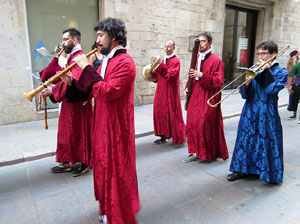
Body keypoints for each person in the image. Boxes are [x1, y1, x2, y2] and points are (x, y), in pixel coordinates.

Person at [61, 18, 140, 223]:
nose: (97, 40)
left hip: (116, 126)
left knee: (115, 169)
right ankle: (107, 207)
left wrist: (86, 68)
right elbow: (91, 89)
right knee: (103, 168)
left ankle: (117, 211)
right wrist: (71, 82)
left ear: (113, 37)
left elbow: (107, 91)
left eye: (100, 35)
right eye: (97, 35)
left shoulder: (125, 62)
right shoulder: (106, 60)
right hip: (102, 123)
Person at [227, 41, 288, 184]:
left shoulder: (281, 72)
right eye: (259, 53)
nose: (260, 56)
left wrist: (265, 72)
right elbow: (244, 95)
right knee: (245, 140)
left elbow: (271, 90)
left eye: (264, 53)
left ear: (273, 54)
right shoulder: (254, 68)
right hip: (250, 109)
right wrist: (247, 83)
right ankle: (241, 169)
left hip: (267, 111)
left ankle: (266, 172)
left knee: (266, 140)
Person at [40, 28, 91, 177]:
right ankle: (66, 161)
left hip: (79, 104)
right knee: (68, 132)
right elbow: (65, 78)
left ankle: (85, 162)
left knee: (80, 133)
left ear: (74, 40)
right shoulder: (71, 56)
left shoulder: (79, 57)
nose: (62, 43)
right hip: (70, 102)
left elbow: (75, 79)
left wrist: (53, 91)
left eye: (65, 39)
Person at [183, 32, 228, 162]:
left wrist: (202, 75)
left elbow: (219, 82)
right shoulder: (196, 58)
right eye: (198, 41)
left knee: (204, 124)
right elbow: (191, 76)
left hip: (208, 97)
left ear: (210, 43)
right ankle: (196, 151)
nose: (200, 44)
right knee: (192, 124)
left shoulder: (216, 60)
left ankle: (207, 153)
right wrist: (187, 88)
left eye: (203, 41)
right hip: (195, 96)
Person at [152, 40, 186, 145]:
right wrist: (153, 75)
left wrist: (160, 65)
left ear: (174, 48)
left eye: (169, 47)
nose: (167, 49)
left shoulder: (176, 61)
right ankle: (163, 136)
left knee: (171, 112)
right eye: (165, 46)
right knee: (160, 112)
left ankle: (177, 135)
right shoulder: (163, 60)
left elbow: (170, 76)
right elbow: (160, 76)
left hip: (170, 91)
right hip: (161, 90)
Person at [286, 50, 299, 120]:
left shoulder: (292, 59)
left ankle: (294, 115)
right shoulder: (295, 59)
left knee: (295, 99)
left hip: (295, 81)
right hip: (295, 79)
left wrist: (289, 87)